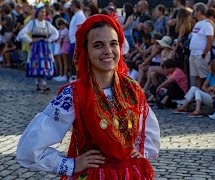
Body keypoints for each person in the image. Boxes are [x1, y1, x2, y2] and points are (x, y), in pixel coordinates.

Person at [16, 14, 160, 179]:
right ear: (86, 51)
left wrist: (137, 151)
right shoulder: (74, 94)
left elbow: (148, 131)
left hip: (131, 173)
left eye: (113, 44)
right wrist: (73, 164)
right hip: (95, 174)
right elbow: (29, 149)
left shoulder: (131, 88)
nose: (108, 51)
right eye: (98, 45)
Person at [18, 6, 59, 91]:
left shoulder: (47, 24)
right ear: (37, 13)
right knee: (36, 64)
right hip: (36, 47)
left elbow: (56, 33)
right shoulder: (32, 23)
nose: (43, 13)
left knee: (44, 64)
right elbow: (22, 33)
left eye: (44, 12)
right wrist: (30, 40)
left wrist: (49, 39)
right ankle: (39, 83)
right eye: (41, 12)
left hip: (45, 48)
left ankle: (41, 83)